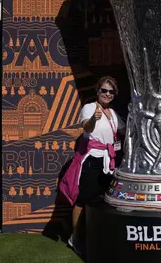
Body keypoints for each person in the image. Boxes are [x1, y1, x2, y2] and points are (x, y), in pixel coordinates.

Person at [59, 76, 124, 255]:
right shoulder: (90, 108)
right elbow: (86, 128)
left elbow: (124, 132)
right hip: (92, 160)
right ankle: (76, 238)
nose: (107, 94)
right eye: (104, 90)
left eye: (111, 92)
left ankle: (97, 235)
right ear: (97, 91)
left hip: (110, 161)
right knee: (83, 200)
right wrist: (94, 119)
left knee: (105, 200)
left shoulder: (114, 114)